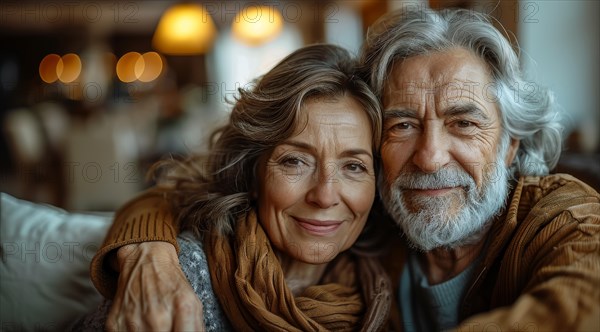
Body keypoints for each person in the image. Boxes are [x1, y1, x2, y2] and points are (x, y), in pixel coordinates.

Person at [89, 7, 600, 332]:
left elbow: (585, 299)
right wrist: (148, 254)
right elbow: (193, 186)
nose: (428, 156)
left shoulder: (560, 214)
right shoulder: (375, 216)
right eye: (401, 126)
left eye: (464, 123)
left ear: (510, 145)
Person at [78, 43, 392, 331]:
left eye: (353, 167)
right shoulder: (184, 281)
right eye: (295, 161)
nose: (324, 195)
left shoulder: (385, 286)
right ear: (252, 172)